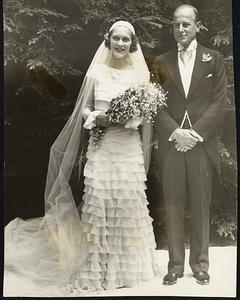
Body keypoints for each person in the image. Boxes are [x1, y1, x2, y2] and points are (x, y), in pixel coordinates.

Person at [5, 21, 159, 294]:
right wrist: (95, 117)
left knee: (127, 202)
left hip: (127, 147)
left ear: (132, 43)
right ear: (108, 41)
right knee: (99, 202)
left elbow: (147, 117)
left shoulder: (140, 76)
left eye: (126, 40)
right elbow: (84, 109)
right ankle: (97, 269)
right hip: (103, 146)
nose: (121, 44)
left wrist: (133, 117)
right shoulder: (97, 72)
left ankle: (126, 270)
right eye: (116, 39)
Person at [152, 4, 227, 286]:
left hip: (201, 145)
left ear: (197, 26)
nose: (180, 29)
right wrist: (175, 133)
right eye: (176, 25)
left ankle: (200, 265)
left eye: (186, 24)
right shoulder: (161, 61)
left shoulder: (214, 59)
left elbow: (220, 102)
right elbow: (155, 104)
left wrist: (194, 134)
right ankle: (174, 266)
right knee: (172, 205)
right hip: (173, 145)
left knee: (200, 205)